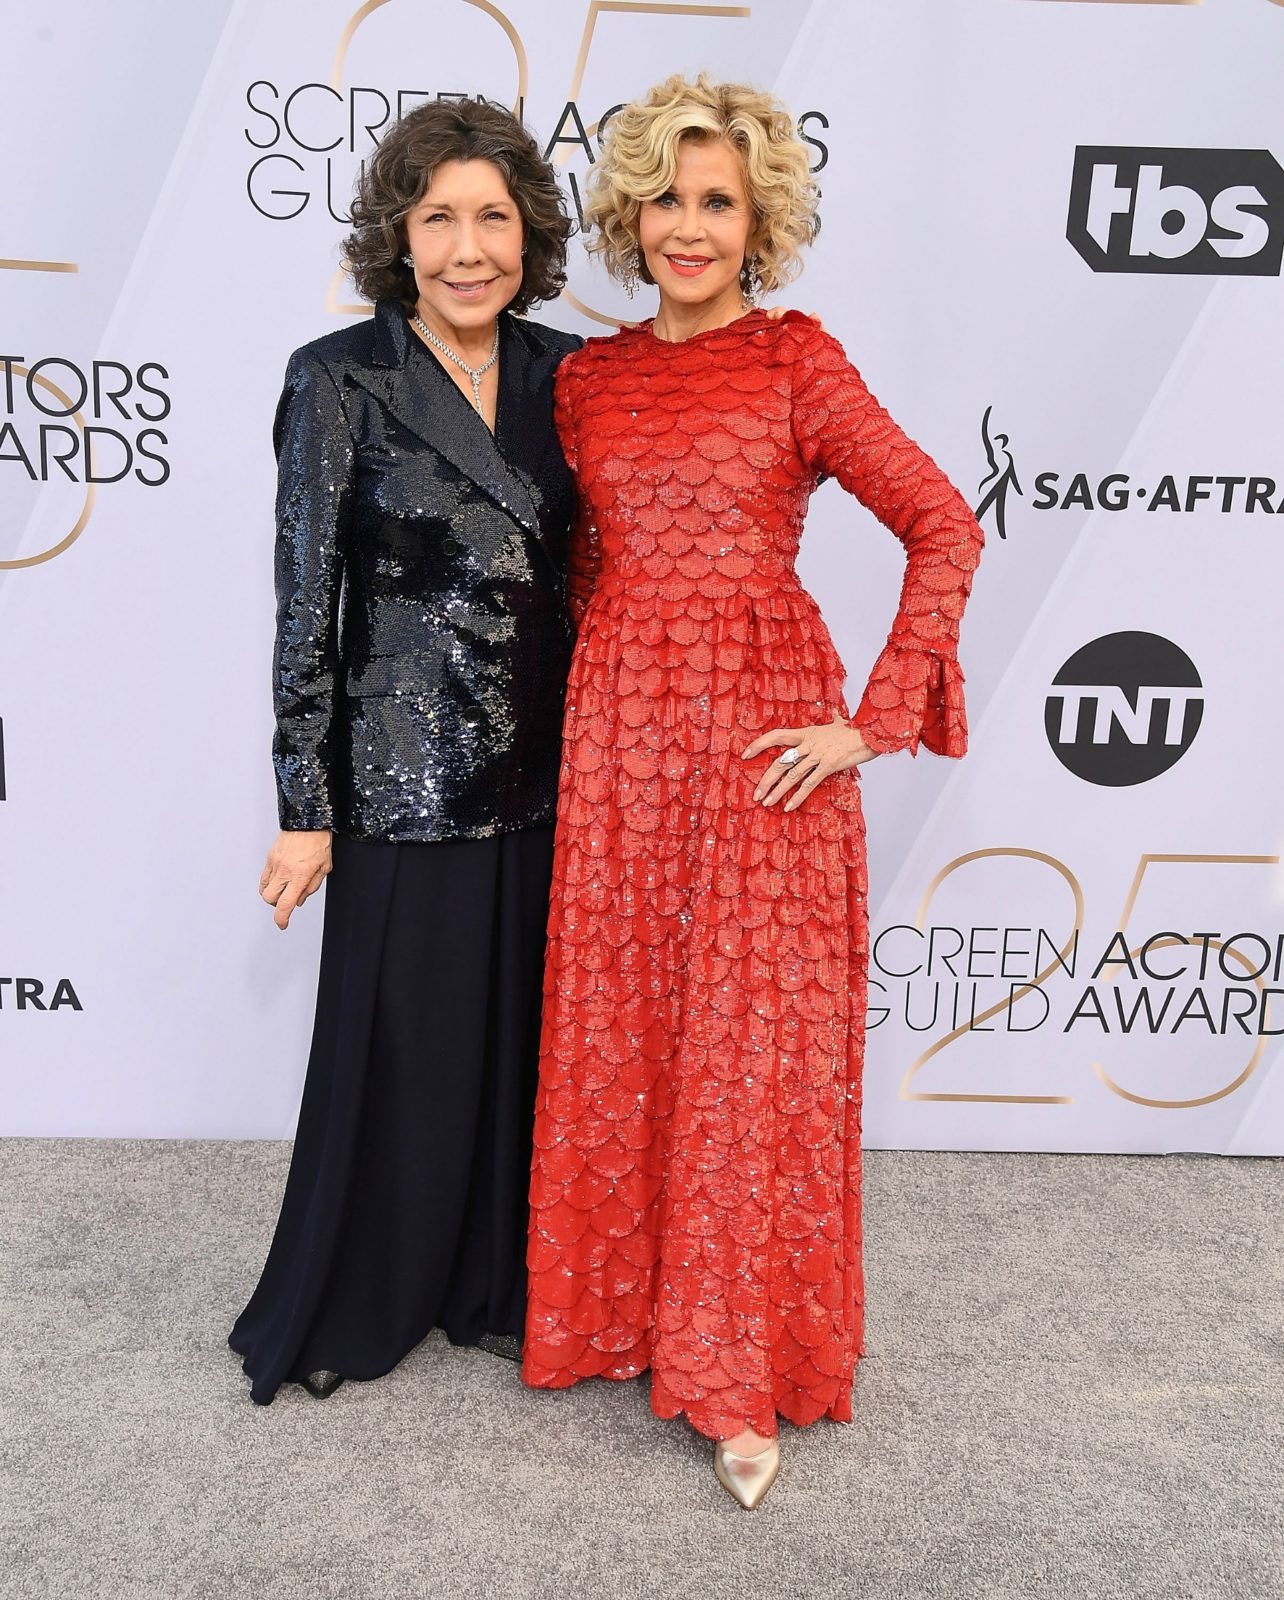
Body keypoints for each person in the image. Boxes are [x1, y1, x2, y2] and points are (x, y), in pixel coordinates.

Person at [521, 74, 984, 1506]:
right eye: (665, 195)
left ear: (760, 216)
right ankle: (614, 1318)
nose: (689, 225)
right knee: (625, 1026)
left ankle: (736, 1375)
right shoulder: (585, 382)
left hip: (760, 752)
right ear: (631, 211)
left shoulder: (797, 362)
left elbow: (942, 524)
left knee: (746, 1054)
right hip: (620, 746)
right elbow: (590, 574)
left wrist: (872, 720)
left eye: (718, 200)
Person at [229, 98, 582, 1404]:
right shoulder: (337, 379)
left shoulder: (569, 377)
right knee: (398, 1061)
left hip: (546, 789)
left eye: (494, 215)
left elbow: (591, 588)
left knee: (517, 1059)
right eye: (440, 217)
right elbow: (303, 603)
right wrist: (305, 806)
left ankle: (496, 1285)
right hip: (397, 788)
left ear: (529, 234)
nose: (469, 245)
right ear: (400, 234)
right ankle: (369, 1290)